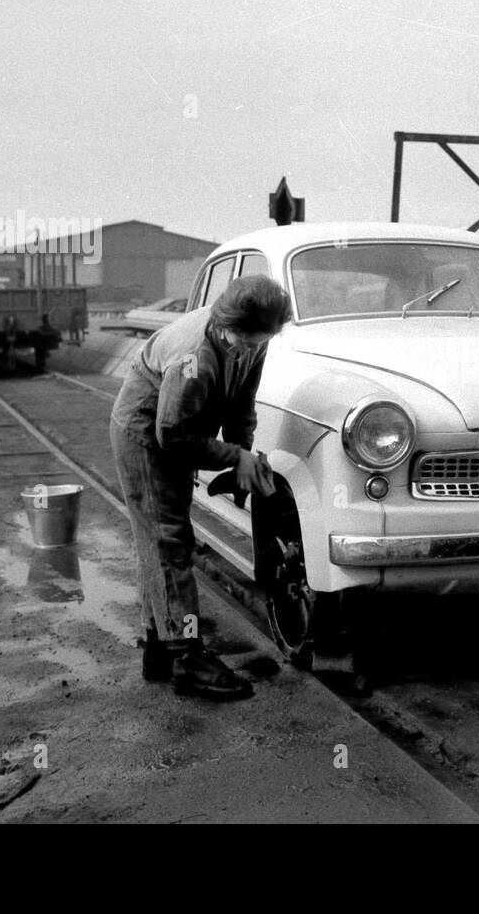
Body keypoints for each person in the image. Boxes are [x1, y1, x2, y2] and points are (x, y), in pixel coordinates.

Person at [110, 274, 291, 700]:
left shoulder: (252, 337)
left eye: (261, 343)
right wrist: (234, 458)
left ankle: (160, 649)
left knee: (162, 543)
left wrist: (242, 453)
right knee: (168, 542)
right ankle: (188, 658)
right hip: (145, 434)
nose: (253, 350)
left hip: (176, 428)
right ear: (228, 326)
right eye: (246, 343)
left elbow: (241, 401)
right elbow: (171, 435)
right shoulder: (194, 356)